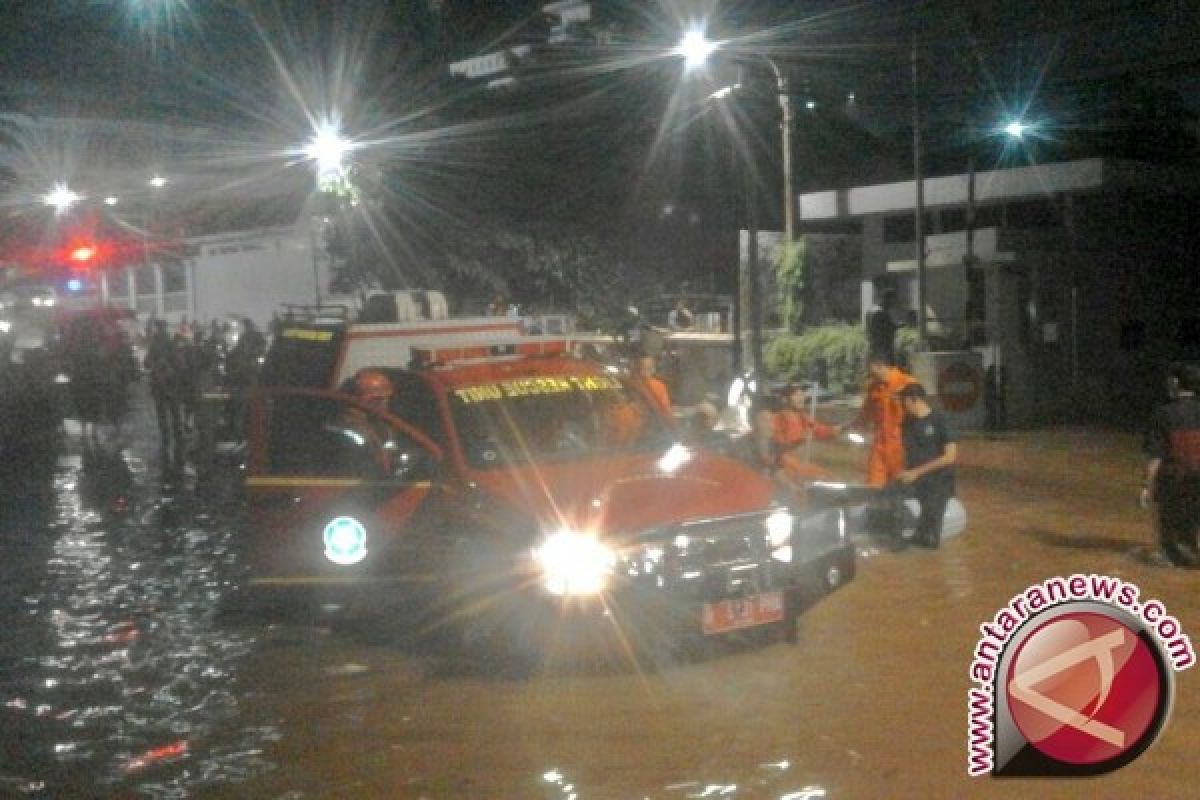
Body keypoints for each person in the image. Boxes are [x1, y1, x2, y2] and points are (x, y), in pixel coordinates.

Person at [1142, 362, 1200, 567]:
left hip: (1175, 481)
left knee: (1166, 511)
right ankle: (1190, 546)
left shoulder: (1163, 414)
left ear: (1176, 382)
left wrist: (1148, 487)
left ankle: (1170, 553)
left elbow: (1156, 456)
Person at [895, 383, 958, 548]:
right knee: (888, 494)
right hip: (915, 479)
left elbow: (950, 457)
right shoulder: (906, 424)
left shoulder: (941, 420)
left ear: (914, 400)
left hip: (938, 481)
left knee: (930, 539)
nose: (902, 405)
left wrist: (917, 472)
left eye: (904, 401)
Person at [847, 352, 918, 486]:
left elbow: (920, 412)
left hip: (902, 446)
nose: (870, 373)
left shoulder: (908, 383)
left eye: (871, 369)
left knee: (900, 488)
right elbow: (865, 413)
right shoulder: (873, 387)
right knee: (874, 486)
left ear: (879, 365)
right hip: (879, 445)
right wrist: (850, 427)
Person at [765, 383, 839, 488]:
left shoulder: (803, 417)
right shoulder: (778, 418)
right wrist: (798, 441)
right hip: (783, 463)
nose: (802, 398)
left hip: (799, 463)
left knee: (829, 477)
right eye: (797, 395)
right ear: (785, 399)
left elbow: (821, 430)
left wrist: (843, 428)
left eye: (802, 395)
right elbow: (775, 447)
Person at [341, 369, 397, 474]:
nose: (384, 404)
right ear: (356, 397)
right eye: (378, 399)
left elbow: (390, 454)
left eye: (387, 399)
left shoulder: (381, 425)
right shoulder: (347, 425)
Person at [866, 288, 899, 366]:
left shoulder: (871, 310)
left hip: (873, 347)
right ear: (887, 300)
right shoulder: (880, 313)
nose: (893, 305)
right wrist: (895, 327)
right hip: (882, 349)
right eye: (892, 302)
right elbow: (883, 330)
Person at [632, 353, 671, 418]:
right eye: (646, 368)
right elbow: (666, 410)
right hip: (653, 422)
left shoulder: (631, 385)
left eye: (648, 368)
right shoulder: (659, 385)